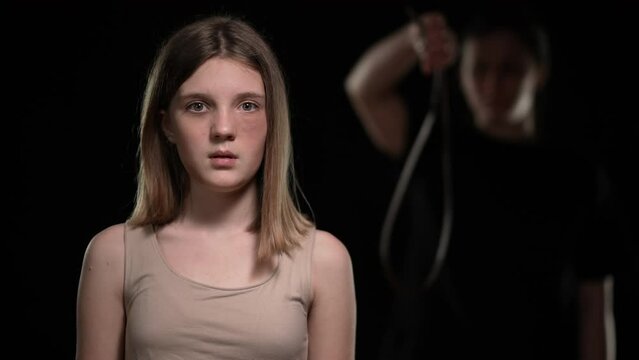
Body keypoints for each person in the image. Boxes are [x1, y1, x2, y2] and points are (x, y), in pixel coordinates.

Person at [75, 14, 356, 360]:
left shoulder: (323, 261)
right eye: (198, 106)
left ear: (273, 121)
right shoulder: (113, 256)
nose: (223, 129)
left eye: (248, 105)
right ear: (166, 126)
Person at [345, 4, 613, 360]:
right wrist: (414, 40)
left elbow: (594, 305)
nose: (492, 84)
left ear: (539, 73)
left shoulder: (576, 177)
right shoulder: (436, 147)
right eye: (480, 69)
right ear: (461, 74)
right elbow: (363, 89)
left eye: (509, 70)